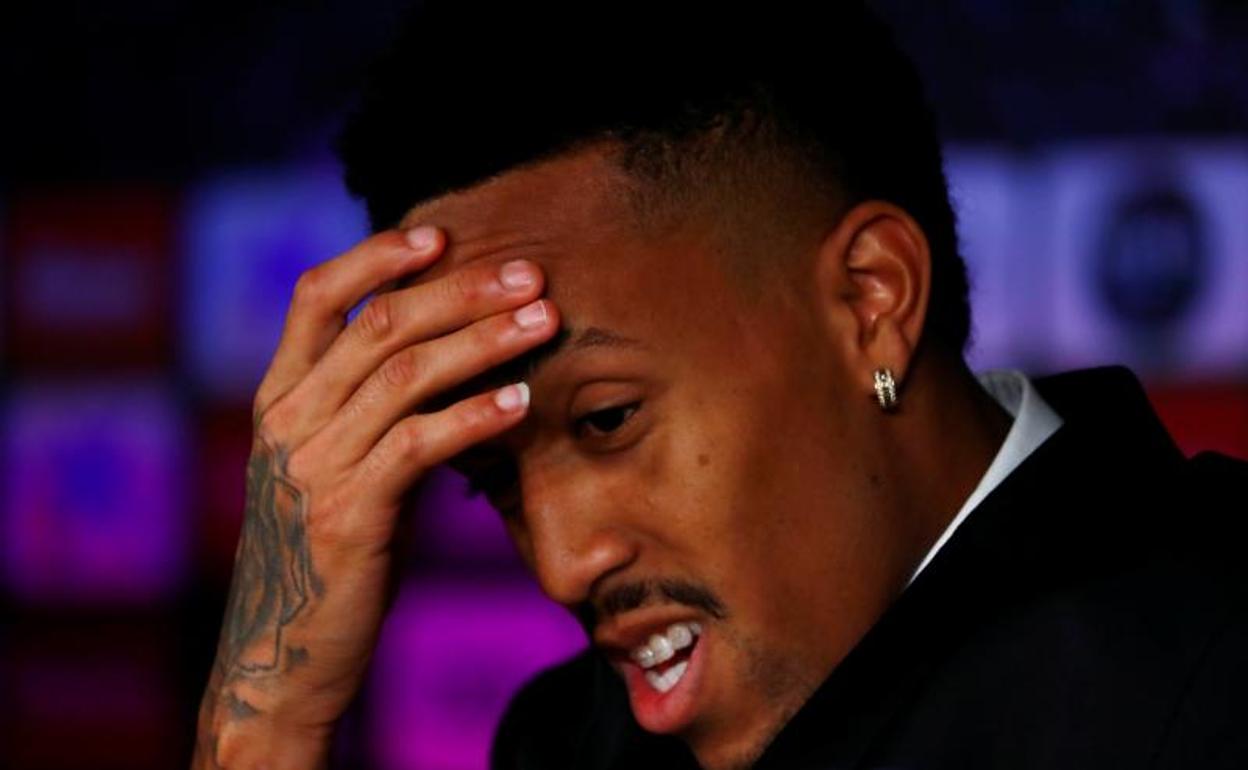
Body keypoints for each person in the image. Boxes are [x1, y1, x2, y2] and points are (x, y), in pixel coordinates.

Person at [191, 2, 1248, 768]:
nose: (562, 562)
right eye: (498, 482)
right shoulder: (565, 742)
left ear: (871, 300)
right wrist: (268, 719)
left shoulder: (1213, 678)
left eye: (608, 418)